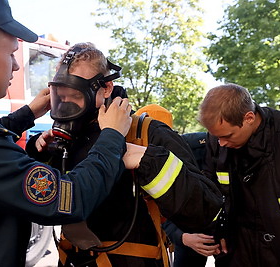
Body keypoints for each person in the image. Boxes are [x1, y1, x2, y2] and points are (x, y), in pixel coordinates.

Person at [0, 0, 155, 266]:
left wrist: (27, 114)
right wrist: (113, 135)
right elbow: (73, 198)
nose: (16, 66)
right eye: (11, 53)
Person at [26, 42, 224, 266]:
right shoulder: (64, 140)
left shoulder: (145, 133)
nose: (67, 105)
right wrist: (38, 153)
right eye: (60, 96)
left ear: (107, 88)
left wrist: (147, 160)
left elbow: (207, 209)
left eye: (75, 94)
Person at [198, 83, 280, 267]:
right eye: (216, 137)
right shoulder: (216, 141)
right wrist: (218, 230)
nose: (221, 144)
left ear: (249, 118)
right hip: (237, 252)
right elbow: (210, 191)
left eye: (227, 136)